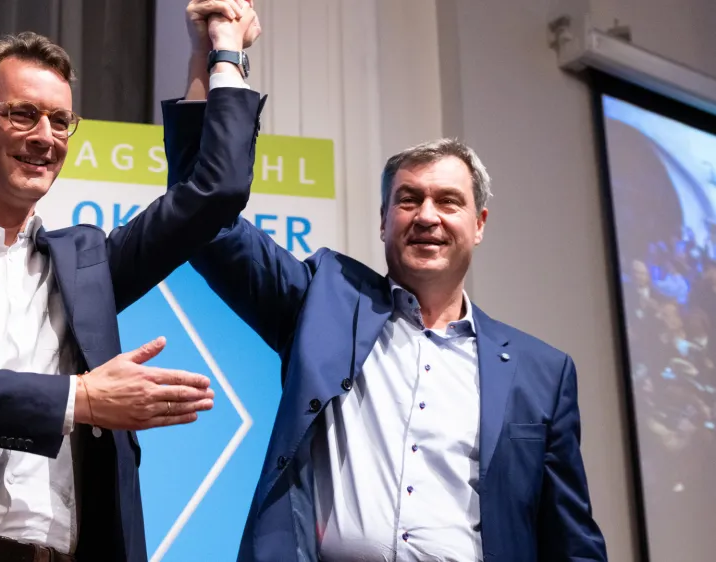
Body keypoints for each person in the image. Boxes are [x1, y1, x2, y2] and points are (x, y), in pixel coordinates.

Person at [0, 1, 262, 560]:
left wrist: (218, 53)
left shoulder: (88, 266)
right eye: (22, 114)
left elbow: (213, 195)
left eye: (61, 121)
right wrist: (76, 398)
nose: (46, 136)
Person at [163, 97, 608, 560]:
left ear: (479, 224)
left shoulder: (542, 373)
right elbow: (206, 221)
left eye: (449, 202)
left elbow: (570, 540)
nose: (427, 216)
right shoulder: (324, 304)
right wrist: (219, 61)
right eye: (408, 199)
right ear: (383, 221)